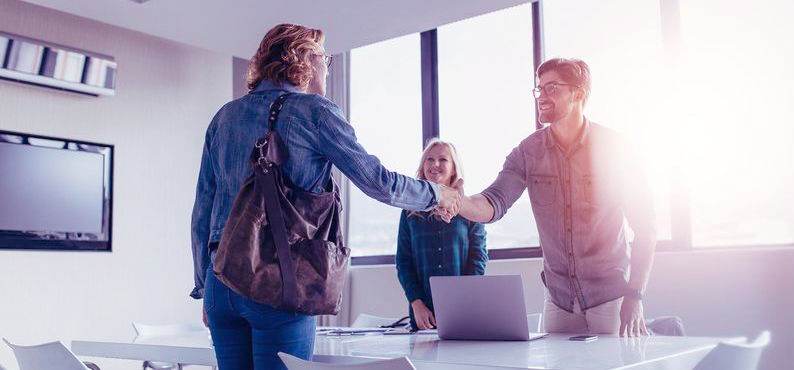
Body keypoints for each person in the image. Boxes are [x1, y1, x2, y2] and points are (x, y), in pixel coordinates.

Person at [190, 24, 462, 370]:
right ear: (303, 59)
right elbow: (378, 182)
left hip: (221, 284)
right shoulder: (315, 112)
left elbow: (202, 210)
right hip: (277, 281)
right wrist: (435, 193)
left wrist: (205, 286)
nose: (327, 67)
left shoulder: (223, 118)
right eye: (324, 58)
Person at [453, 58, 656, 337]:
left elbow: (646, 226)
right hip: (559, 302)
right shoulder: (528, 151)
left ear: (578, 94)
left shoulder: (615, 148)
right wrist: (459, 202)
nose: (542, 97)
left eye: (551, 88)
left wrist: (635, 297)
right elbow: (494, 202)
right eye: (539, 89)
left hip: (611, 299)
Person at [396, 139, 488, 331]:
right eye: (429, 159)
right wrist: (416, 303)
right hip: (423, 318)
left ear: (454, 169)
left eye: (443, 159)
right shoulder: (409, 212)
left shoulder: (471, 210)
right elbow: (403, 262)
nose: (435, 164)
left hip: (463, 313)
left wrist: (462, 301)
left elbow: (478, 259)